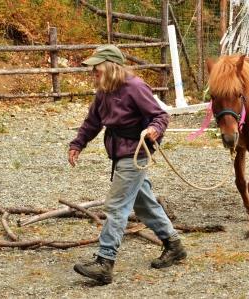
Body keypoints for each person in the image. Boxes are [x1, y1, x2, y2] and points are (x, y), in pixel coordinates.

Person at [68, 45, 187, 284]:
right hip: (119, 153)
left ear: (111, 66)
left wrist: (154, 129)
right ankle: (174, 245)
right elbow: (93, 121)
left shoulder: (135, 87)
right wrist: (78, 143)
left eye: (97, 67)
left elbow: (161, 115)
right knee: (144, 205)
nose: (93, 72)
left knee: (116, 207)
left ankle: (104, 261)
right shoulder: (104, 90)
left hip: (134, 154)